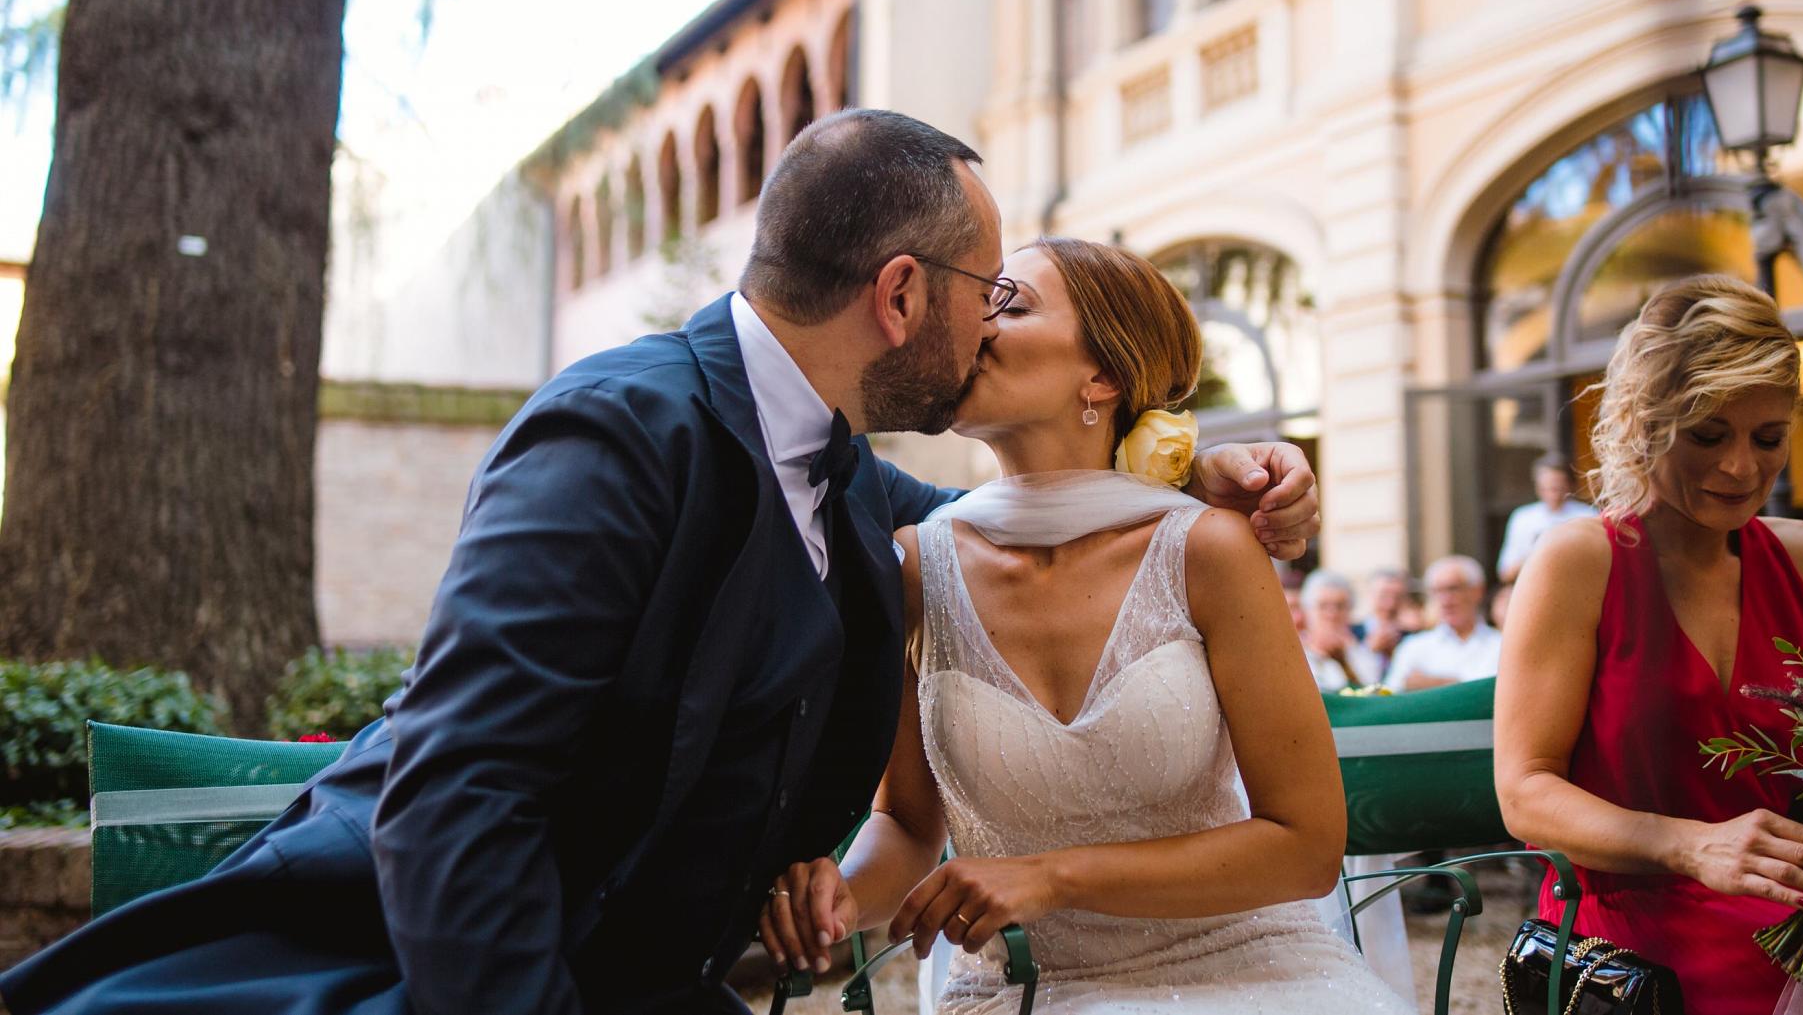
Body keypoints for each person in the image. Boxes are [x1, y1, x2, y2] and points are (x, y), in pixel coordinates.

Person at [0, 112, 1324, 1015]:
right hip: (409, 970)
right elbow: (456, 797)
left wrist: (1201, 470)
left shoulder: (854, 477)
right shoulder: (619, 428)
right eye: (989, 288)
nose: (988, 326)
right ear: (904, 295)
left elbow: (1037, 524)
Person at [759, 238, 1407, 1014]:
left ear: (1100, 374)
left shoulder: (1208, 548)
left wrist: (1050, 874)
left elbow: (1304, 846)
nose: (978, 323)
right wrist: (840, 897)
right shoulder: (913, 568)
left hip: (1250, 973)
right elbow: (904, 822)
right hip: (1023, 988)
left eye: (1013, 303)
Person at [1494, 276, 1803, 1015]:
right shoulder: (1577, 561)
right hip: (1631, 944)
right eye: (1708, 434)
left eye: (1769, 436)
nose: (1742, 468)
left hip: (1796, 919)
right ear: (1641, 421)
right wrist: (1692, 846)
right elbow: (1525, 792)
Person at [1380, 555, 1499, 692]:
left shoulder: (1501, 645)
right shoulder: (1412, 646)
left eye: (1453, 589)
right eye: (1437, 591)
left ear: (1477, 591)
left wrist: (1432, 682)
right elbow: (1391, 693)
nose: (1446, 601)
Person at [1495, 455, 1597, 584]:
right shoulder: (1523, 518)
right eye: (1547, 487)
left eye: (1557, 487)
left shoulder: (1587, 515)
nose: (1552, 493)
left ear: (1569, 485)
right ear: (1537, 487)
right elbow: (1506, 572)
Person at [1301, 570, 1383, 692]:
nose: (1331, 614)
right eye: (1323, 606)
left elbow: (1371, 696)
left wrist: (1343, 663)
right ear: (1308, 610)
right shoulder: (1295, 650)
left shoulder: (1362, 652)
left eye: (1340, 606)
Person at [1357, 567, 1410, 663]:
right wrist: (1368, 649)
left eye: (1397, 597)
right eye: (1383, 596)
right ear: (1370, 594)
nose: (1390, 604)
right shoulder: (1351, 634)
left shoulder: (1414, 639)